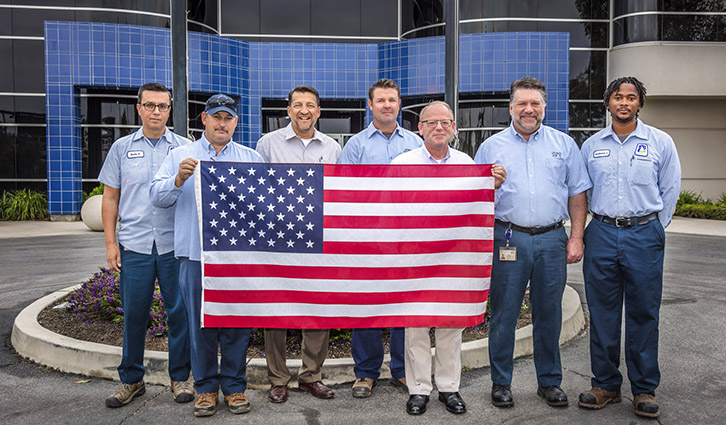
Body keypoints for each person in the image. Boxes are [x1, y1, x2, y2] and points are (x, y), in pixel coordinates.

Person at [474, 77, 592, 408]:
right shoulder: (491, 146)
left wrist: (576, 237)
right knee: (504, 314)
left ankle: (549, 382)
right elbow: (474, 197)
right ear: (511, 108)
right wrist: (489, 184)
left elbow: (578, 193)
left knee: (548, 313)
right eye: (522, 104)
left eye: (535, 104)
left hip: (552, 239)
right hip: (508, 238)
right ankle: (501, 383)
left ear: (544, 107)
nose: (529, 110)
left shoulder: (564, 144)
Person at [150, 94, 264, 417]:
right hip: (194, 255)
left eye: (228, 118)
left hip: (237, 258)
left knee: (236, 324)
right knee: (199, 325)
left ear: (236, 122)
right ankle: (205, 388)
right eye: (216, 117)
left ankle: (234, 386)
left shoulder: (250, 158)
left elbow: (263, 209)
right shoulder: (180, 156)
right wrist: (177, 180)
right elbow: (155, 196)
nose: (222, 123)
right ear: (204, 119)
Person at [392, 101, 506, 416]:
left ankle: (448, 388)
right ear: (420, 128)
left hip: (451, 257)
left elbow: (475, 207)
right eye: (431, 122)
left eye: (445, 122)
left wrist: (490, 184)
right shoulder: (403, 162)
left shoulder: (467, 163)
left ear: (454, 127)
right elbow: (391, 210)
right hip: (414, 258)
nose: (439, 127)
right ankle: (418, 390)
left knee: (449, 326)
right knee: (415, 326)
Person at [578, 77, 681, 419]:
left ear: (640, 104)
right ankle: (605, 384)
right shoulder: (592, 145)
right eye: (618, 97)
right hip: (603, 233)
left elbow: (669, 189)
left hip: (643, 234)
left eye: (631, 97)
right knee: (603, 314)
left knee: (644, 313)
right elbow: (584, 192)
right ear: (607, 103)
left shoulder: (660, 143)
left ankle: (644, 388)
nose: (624, 102)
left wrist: (652, 227)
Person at [98, 82, 193, 408]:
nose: (156, 111)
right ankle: (131, 379)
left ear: (170, 109)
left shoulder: (184, 148)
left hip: (173, 246)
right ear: (138, 108)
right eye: (150, 105)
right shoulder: (122, 148)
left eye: (162, 106)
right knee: (134, 315)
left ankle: (180, 377)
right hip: (135, 246)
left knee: (178, 314)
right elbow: (110, 198)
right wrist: (111, 244)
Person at [338, 78, 423, 397]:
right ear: (370, 105)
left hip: (407, 239)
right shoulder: (356, 146)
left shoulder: (416, 143)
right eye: (381, 100)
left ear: (399, 104)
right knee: (367, 305)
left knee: (404, 306)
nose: (387, 105)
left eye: (392, 100)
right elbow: (344, 193)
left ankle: (402, 370)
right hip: (368, 238)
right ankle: (366, 372)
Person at [255, 85, 341, 403]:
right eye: (298, 105)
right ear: (288, 110)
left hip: (318, 237)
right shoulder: (267, 145)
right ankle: (278, 378)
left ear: (318, 112)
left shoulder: (332, 148)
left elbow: (336, 193)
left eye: (310, 106)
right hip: (277, 240)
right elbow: (255, 189)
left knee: (317, 307)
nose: (304, 110)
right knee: (275, 308)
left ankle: (311, 376)